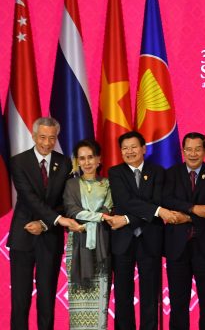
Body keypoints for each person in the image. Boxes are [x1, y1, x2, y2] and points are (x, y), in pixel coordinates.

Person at [8, 117, 80, 330]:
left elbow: (66, 202)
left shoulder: (65, 162)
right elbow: (29, 198)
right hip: (23, 236)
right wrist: (56, 219)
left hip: (50, 237)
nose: (47, 143)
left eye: (52, 138)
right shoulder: (18, 161)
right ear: (33, 136)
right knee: (20, 298)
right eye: (42, 137)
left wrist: (45, 223)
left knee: (47, 297)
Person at [108, 131, 183, 330]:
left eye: (134, 147)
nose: (129, 151)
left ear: (143, 149)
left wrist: (126, 218)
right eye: (125, 148)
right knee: (122, 295)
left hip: (150, 238)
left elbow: (156, 200)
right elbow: (125, 201)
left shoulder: (158, 171)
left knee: (150, 295)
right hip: (123, 241)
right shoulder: (115, 172)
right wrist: (156, 211)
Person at [161, 132, 205, 330]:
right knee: (178, 303)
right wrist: (194, 209)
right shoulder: (171, 173)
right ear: (183, 151)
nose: (193, 154)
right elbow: (167, 200)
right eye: (188, 149)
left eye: (197, 149)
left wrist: (187, 216)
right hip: (177, 248)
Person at [63, 139, 113, 330]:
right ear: (77, 161)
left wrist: (100, 216)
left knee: (100, 298)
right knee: (78, 300)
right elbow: (71, 210)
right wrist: (99, 216)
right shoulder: (71, 185)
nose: (87, 162)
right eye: (82, 158)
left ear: (99, 159)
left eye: (90, 157)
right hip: (77, 244)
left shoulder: (107, 183)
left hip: (102, 245)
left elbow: (109, 209)